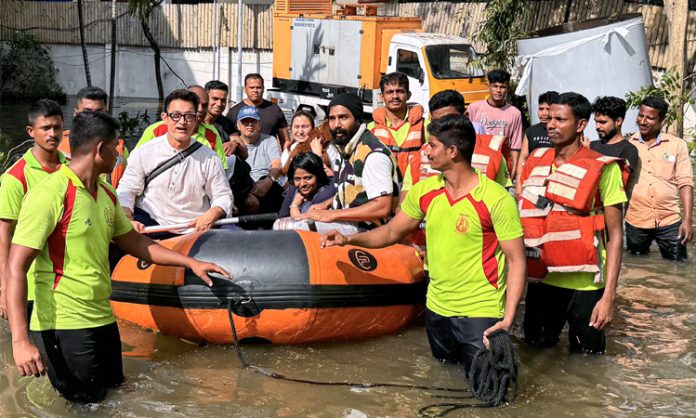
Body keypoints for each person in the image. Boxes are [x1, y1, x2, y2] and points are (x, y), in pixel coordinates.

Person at [5, 111, 229, 403]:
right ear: (100, 149)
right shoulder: (49, 195)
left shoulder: (107, 193)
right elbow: (16, 268)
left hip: (102, 317)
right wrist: (20, 341)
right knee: (86, 405)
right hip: (63, 323)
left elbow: (136, 242)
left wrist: (189, 262)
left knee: (115, 397)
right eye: (116, 148)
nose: (119, 156)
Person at [320, 114, 526, 373]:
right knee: (443, 378)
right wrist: (347, 239)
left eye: (431, 145)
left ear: (452, 151)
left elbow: (517, 261)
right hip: (437, 309)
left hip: (480, 312)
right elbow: (392, 232)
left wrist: (508, 318)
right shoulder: (425, 191)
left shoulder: (495, 199)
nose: (424, 151)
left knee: (489, 390)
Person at [519, 92, 626, 354]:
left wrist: (608, 298)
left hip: (586, 286)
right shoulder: (535, 161)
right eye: (550, 118)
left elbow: (614, 236)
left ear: (580, 125)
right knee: (534, 353)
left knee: (589, 363)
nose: (551, 124)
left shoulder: (604, 168)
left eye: (560, 119)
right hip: (542, 282)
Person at [117, 89, 233, 236]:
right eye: (176, 116)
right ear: (165, 118)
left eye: (189, 116)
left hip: (194, 229)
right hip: (151, 224)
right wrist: (127, 219)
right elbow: (126, 191)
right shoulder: (144, 152)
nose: (182, 122)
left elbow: (223, 195)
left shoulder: (210, 158)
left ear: (197, 118)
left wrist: (214, 213)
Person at [0, 99, 68, 320]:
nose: (52, 133)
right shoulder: (15, 177)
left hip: (66, 282)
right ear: (31, 131)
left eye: (57, 127)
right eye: (45, 128)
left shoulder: (71, 169)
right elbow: (3, 235)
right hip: (29, 284)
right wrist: (5, 287)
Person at [299, 93, 400, 234]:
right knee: (282, 224)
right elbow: (354, 190)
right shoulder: (346, 147)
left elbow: (382, 207)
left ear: (357, 119)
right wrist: (325, 204)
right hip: (348, 220)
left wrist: (331, 214)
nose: (337, 124)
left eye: (343, 117)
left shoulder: (373, 155)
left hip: (369, 230)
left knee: (298, 230)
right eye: (332, 119)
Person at [401, 90, 511, 198]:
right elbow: (404, 202)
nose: (442, 127)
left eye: (449, 120)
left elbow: (503, 199)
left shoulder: (491, 153)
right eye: (437, 122)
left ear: (466, 117)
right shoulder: (421, 155)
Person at [625, 96, 693, 260]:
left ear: (662, 119)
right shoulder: (628, 145)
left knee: (679, 267)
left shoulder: (677, 145)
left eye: (649, 118)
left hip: (670, 220)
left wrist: (688, 220)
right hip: (636, 219)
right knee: (636, 266)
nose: (643, 121)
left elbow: (685, 182)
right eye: (641, 115)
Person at [136, 85, 229, 170]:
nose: (200, 109)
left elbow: (220, 171)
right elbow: (136, 163)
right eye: (196, 104)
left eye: (204, 105)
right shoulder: (156, 130)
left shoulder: (212, 133)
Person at [59, 86, 130, 188]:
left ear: (106, 113)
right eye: (87, 112)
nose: (93, 117)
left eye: (98, 112)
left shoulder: (120, 150)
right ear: (75, 114)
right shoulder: (57, 146)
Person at [465, 69, 524, 179]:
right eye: (495, 86)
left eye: (502, 87)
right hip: (477, 161)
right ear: (489, 87)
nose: (498, 90)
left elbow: (515, 146)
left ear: (507, 89)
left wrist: (514, 168)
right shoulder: (474, 108)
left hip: (503, 164)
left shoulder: (515, 113)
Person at [368, 72, 426, 179]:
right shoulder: (371, 129)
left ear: (408, 95)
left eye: (400, 91)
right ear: (382, 96)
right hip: (384, 188)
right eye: (390, 92)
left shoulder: (424, 126)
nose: (395, 96)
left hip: (414, 188)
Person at [237, 106, 285, 213]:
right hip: (244, 191)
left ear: (259, 125)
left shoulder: (269, 140)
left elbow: (277, 164)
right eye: (245, 121)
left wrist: (269, 180)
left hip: (266, 188)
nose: (250, 124)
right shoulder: (234, 143)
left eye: (253, 121)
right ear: (238, 125)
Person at [590, 96, 639, 196]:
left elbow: (618, 185)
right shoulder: (591, 146)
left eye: (603, 122)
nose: (597, 127)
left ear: (618, 122)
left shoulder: (628, 150)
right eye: (596, 121)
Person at [226, 73, 290, 148]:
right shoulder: (234, 112)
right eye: (252, 87)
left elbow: (285, 140)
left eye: (258, 87)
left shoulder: (275, 110)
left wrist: (286, 158)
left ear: (263, 89)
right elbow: (227, 140)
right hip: (243, 157)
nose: (255, 90)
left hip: (269, 158)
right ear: (245, 89)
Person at [515, 90, 558, 194]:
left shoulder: (561, 131)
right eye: (541, 109)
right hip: (532, 182)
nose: (543, 113)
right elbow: (523, 158)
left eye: (548, 109)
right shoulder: (531, 131)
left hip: (553, 183)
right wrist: (518, 184)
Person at [281, 111, 339, 179]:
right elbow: (283, 175)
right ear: (291, 129)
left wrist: (318, 154)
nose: (300, 132)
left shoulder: (328, 148)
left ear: (313, 128)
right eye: (296, 127)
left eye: (305, 127)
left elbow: (336, 177)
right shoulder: (290, 148)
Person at [278, 152, 337, 218]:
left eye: (308, 178)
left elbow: (305, 222)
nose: (302, 184)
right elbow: (281, 218)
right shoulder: (294, 188)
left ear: (319, 176)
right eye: (297, 179)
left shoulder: (327, 192)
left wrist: (294, 205)